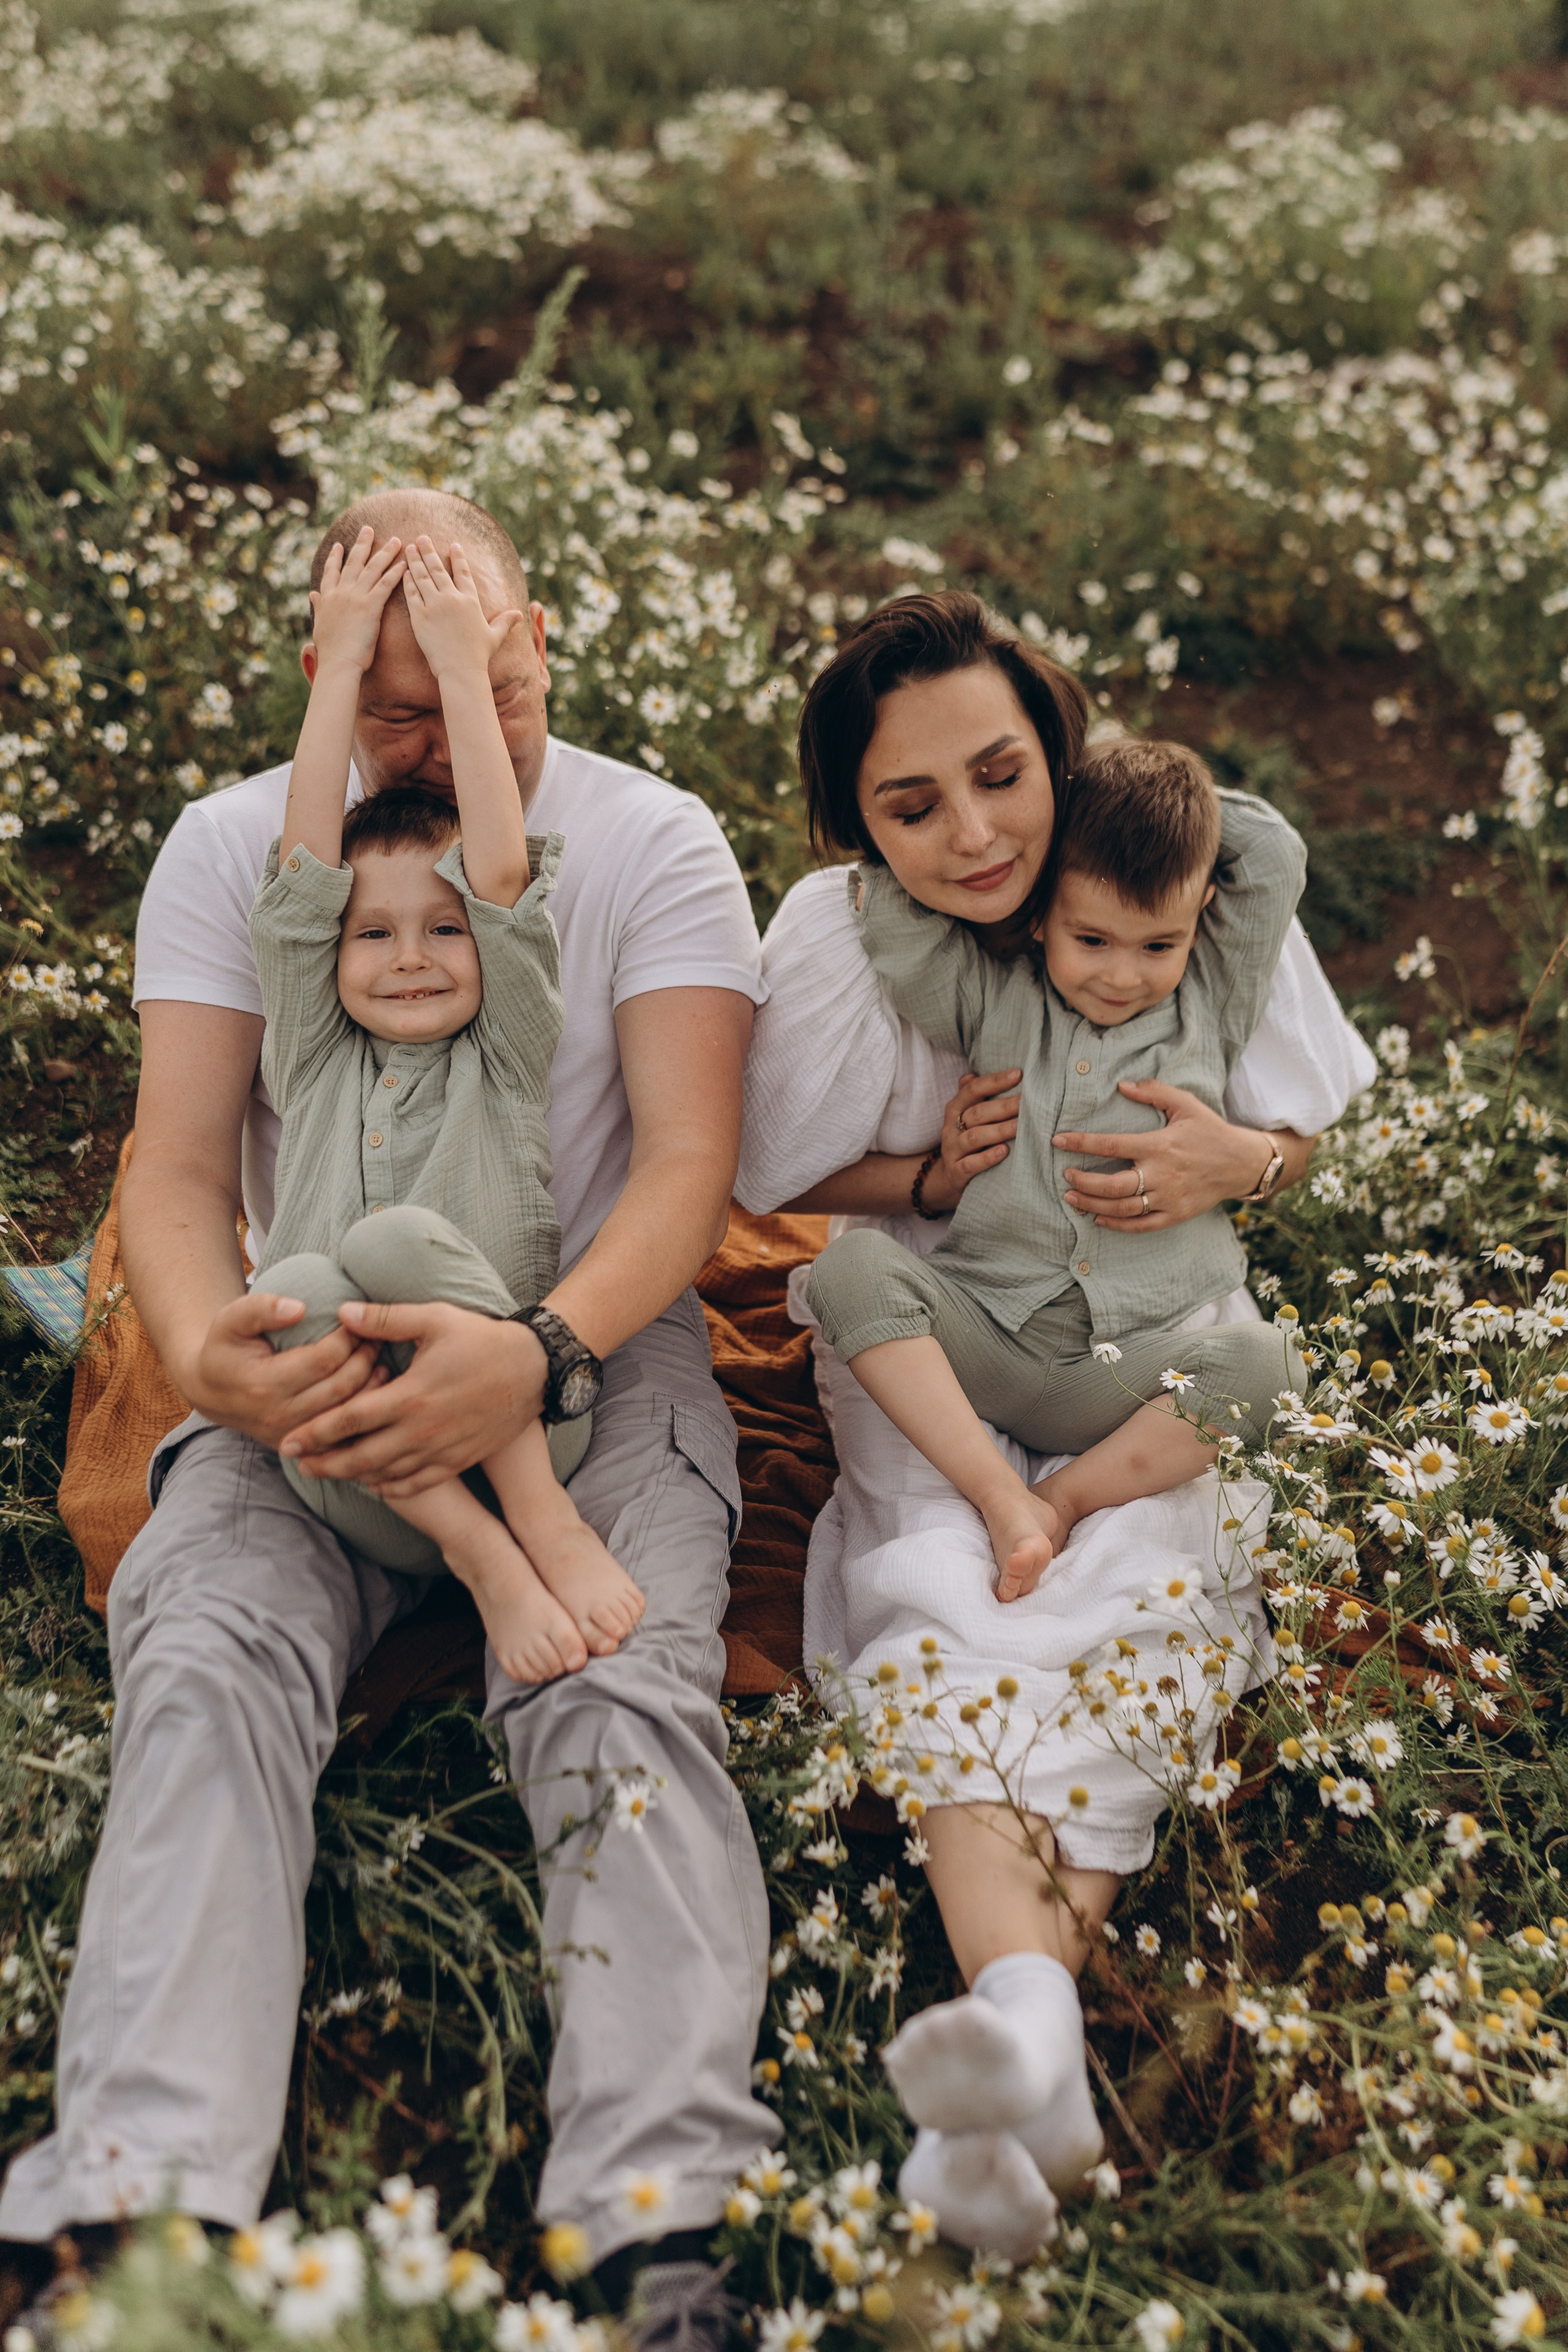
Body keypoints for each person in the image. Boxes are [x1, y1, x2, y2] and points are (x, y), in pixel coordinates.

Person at [0, 486, 778, 2344]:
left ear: (542, 646)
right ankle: (134, 2225)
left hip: (593, 1346)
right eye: (395, 705)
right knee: (206, 1645)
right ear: (320, 674)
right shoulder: (231, 851)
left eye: (481, 683)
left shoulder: (651, 841)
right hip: (314, 1340)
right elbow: (179, 1168)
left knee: (621, 1683)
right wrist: (206, 1359)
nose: (439, 736)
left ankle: (660, 2228)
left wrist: (552, 1352)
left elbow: (686, 1166)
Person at [736, 590, 1376, 2261]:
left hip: (1149, 1342)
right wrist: (935, 1174)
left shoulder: (1158, 863)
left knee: (1144, 1587)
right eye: (910, 804)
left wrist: (1245, 1164)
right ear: (854, 823)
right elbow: (790, 1181)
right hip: (950, 1348)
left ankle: (1026, 2055)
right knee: (948, 1589)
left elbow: (1302, 1125)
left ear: (1060, 741)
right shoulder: (851, 936)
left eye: (1003, 772)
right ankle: (1032, 2050)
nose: (974, 833)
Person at [252, 522, 643, 1684]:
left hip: (527, 1417)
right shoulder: (314, 1048)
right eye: (372, 933)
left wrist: (465, 671)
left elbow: (504, 875)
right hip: (367, 1476)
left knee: (382, 1241)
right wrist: (336, 664)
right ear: (328, 952)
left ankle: (545, 1527)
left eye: (446, 929)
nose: (410, 958)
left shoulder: (506, 1046)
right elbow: (306, 870)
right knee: (298, 1286)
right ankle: (490, 1563)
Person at [804, 734, 1309, 1599]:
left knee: (1276, 1367)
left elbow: (1274, 854)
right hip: (986, 1337)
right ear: (1040, 914)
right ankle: (998, 1497)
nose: (1122, 975)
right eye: (1093, 939)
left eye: (1159, 945)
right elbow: (889, 911)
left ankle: (1061, 1500)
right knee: (847, 1269)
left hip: (1132, 1365)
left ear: (1196, 927)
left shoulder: (1211, 1004)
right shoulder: (993, 995)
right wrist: (1054, 811)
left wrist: (1161, 809)